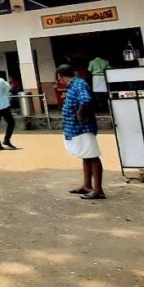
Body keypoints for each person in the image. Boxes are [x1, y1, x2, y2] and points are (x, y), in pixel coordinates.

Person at [58, 64, 105, 200]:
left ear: (60, 76)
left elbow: (86, 100)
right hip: (75, 127)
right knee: (86, 155)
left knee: (93, 156)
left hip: (83, 126)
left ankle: (98, 190)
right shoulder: (74, 84)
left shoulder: (79, 84)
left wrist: (80, 113)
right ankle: (86, 185)